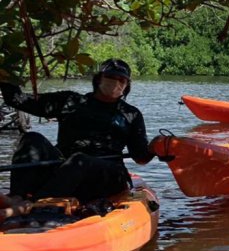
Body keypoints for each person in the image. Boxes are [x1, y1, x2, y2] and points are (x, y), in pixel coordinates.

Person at [0, 58, 155, 202]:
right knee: (32, 138)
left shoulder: (131, 114)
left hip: (108, 176)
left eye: (122, 80)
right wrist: (4, 72)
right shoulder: (69, 101)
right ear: (99, 79)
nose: (116, 82)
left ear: (127, 85)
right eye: (111, 77)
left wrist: (158, 147)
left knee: (80, 160)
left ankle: (35, 205)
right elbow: (18, 100)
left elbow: (140, 157)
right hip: (64, 170)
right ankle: (16, 198)